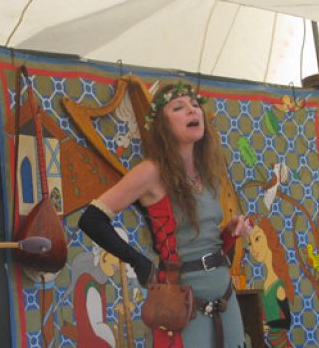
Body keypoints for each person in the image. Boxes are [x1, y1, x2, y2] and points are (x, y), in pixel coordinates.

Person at [79, 81, 252, 348]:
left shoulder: (209, 174)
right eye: (178, 108)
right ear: (163, 125)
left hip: (225, 296)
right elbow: (92, 218)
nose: (192, 111)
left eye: (195, 106)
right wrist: (140, 262)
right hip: (181, 303)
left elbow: (207, 245)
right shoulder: (151, 172)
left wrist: (230, 232)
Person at [248, 216, 294, 348]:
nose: (253, 249)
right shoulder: (265, 284)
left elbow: (287, 322)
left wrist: (267, 325)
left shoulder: (278, 287)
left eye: (257, 239)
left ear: (269, 239)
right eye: (250, 243)